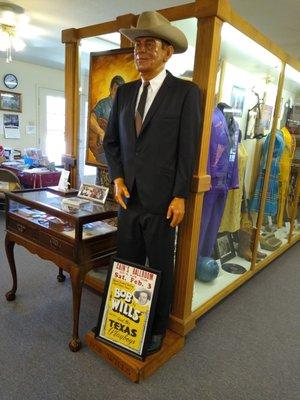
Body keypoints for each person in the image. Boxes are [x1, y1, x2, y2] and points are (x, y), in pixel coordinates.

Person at [103, 11, 201, 355]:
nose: (139, 51)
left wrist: (180, 195)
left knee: (160, 265)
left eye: (148, 44)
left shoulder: (186, 94)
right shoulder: (125, 93)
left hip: (163, 202)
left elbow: (187, 150)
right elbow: (110, 142)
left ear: (167, 51)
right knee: (126, 262)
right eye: (137, 45)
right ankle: (124, 321)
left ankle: (157, 326)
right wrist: (116, 177)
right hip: (128, 198)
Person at [89, 75, 125, 167]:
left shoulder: (125, 107)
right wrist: (100, 132)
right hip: (103, 152)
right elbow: (91, 118)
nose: (117, 94)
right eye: (115, 90)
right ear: (110, 89)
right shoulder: (103, 104)